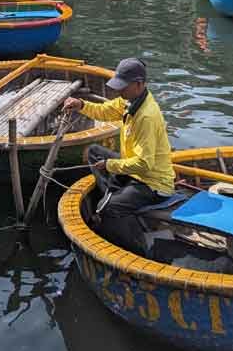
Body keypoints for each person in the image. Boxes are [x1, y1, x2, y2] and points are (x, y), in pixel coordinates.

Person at [63, 58, 174, 254]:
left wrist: (110, 165)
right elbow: (105, 110)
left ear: (139, 84)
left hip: (152, 183)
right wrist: (81, 104)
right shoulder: (130, 101)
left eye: (123, 86)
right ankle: (114, 198)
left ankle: (141, 249)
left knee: (109, 208)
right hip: (135, 173)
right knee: (94, 152)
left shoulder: (146, 116)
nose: (118, 91)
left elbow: (144, 164)